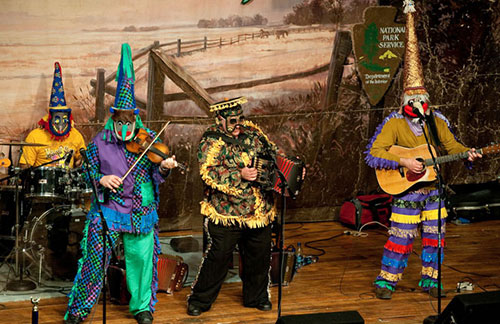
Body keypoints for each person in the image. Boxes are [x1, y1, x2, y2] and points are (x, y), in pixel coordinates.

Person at [365, 1, 482, 300]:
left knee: (435, 237)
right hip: (407, 191)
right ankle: (387, 281)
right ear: (405, 102)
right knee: (400, 238)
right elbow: (373, 154)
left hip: (434, 191)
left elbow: (452, 146)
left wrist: (468, 152)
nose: (419, 108)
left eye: (423, 102)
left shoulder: (436, 120)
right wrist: (403, 159)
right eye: (413, 103)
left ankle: (431, 280)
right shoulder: (393, 123)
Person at [64, 44, 178, 324]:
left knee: (141, 263)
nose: (126, 128)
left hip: (140, 212)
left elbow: (156, 172)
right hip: (108, 212)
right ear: (112, 118)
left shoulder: (149, 137)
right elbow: (83, 171)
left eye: (130, 122)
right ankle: (78, 312)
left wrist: (163, 167)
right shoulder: (99, 143)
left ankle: (142, 308)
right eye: (120, 122)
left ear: (135, 118)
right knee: (93, 263)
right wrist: (101, 178)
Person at [187, 97, 278, 316]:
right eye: (232, 122)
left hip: (258, 210)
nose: (237, 126)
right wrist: (240, 174)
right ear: (219, 121)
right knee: (218, 257)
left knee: (259, 255)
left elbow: (273, 156)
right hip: (226, 212)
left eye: (240, 120)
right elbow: (208, 172)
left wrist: (291, 172)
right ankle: (200, 300)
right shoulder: (211, 141)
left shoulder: (255, 134)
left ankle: (257, 297)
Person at [20, 62, 85, 168]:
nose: (60, 124)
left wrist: (80, 162)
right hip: (43, 182)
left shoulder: (76, 135)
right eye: (57, 119)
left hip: (67, 182)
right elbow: (24, 167)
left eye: (64, 119)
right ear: (49, 119)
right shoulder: (35, 136)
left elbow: (80, 160)